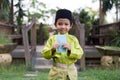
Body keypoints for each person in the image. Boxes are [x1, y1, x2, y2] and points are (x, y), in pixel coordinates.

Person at [41, 9, 83, 80]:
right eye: (60, 24)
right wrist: (52, 49)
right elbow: (45, 54)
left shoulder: (73, 39)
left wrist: (70, 49)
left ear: (71, 25)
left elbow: (80, 54)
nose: (63, 27)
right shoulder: (52, 39)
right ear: (55, 25)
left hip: (71, 73)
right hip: (56, 73)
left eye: (66, 24)